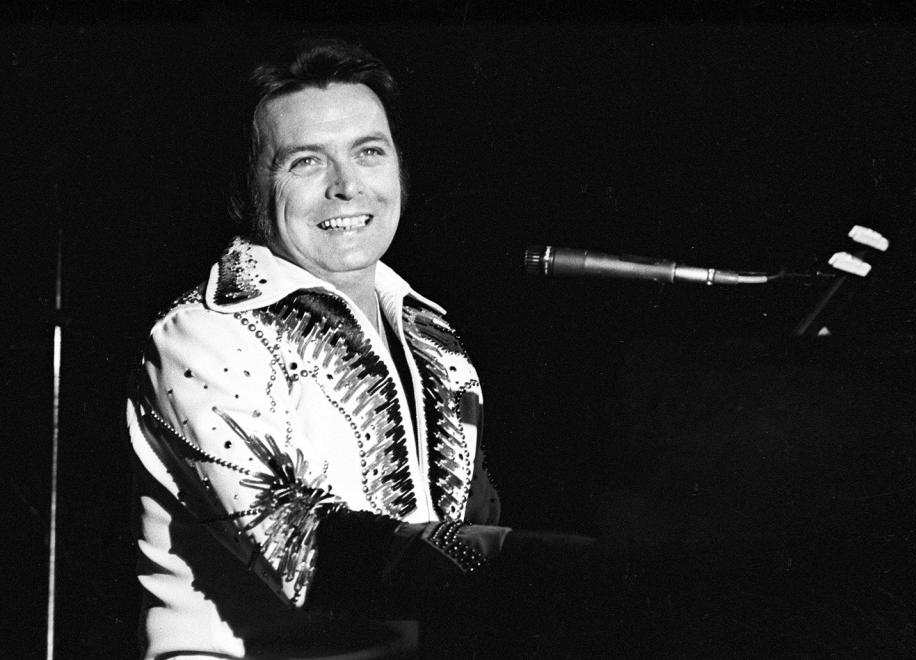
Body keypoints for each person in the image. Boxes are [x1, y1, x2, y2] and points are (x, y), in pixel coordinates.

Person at [129, 37, 632, 660]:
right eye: (306, 161)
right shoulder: (201, 334)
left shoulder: (429, 332)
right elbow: (301, 548)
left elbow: (465, 523)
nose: (348, 187)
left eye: (369, 152)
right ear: (248, 185)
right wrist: (590, 570)